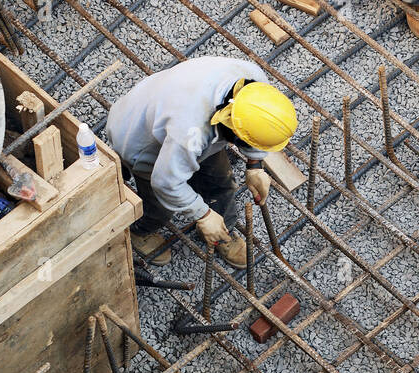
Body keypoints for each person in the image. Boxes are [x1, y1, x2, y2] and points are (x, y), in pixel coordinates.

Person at [105, 57, 297, 267]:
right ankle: (138, 230)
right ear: (231, 126)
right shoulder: (191, 132)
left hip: (168, 108)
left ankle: (222, 233)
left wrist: (255, 165)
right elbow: (165, 183)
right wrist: (202, 215)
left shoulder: (254, 85)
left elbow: (255, 127)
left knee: (219, 183)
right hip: (137, 139)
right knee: (160, 208)